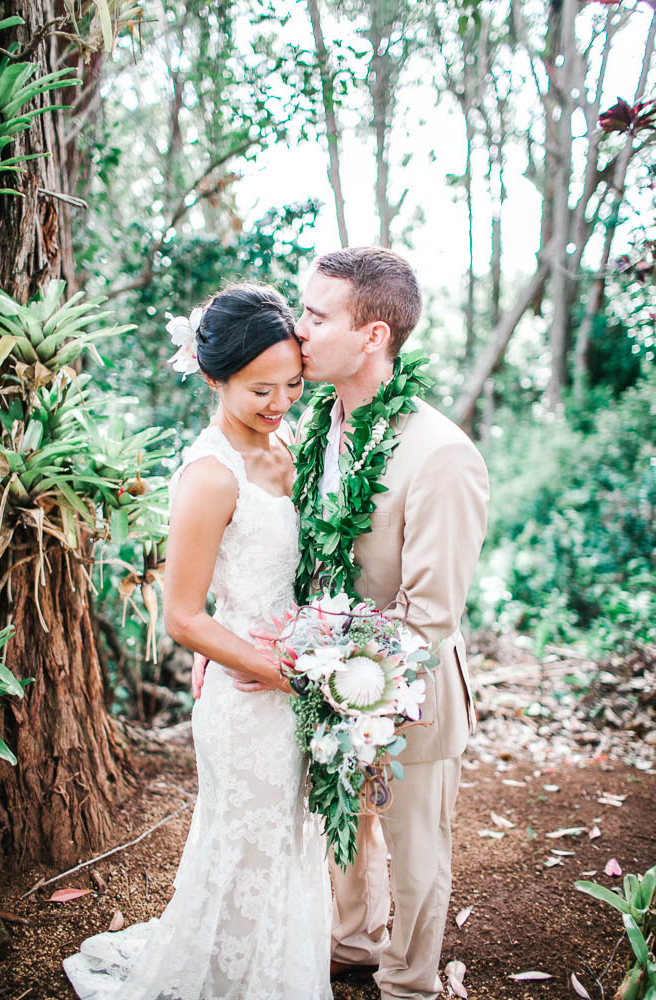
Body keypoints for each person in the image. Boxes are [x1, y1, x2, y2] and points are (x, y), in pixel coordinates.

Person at [196, 248, 489, 999]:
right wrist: (236, 633)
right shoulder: (308, 425)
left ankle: (409, 982)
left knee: (415, 847)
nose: (299, 327)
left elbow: (429, 616)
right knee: (343, 825)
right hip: (318, 675)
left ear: (373, 336)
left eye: (318, 315)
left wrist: (333, 665)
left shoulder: (440, 456)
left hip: (410, 689)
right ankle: (353, 942)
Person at [64, 284, 332, 1000]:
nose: (279, 404)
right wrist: (285, 673)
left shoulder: (293, 446)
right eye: (259, 390)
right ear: (213, 377)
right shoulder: (209, 476)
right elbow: (183, 616)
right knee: (246, 848)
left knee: (288, 844)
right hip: (251, 693)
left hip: (302, 671)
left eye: (292, 387)